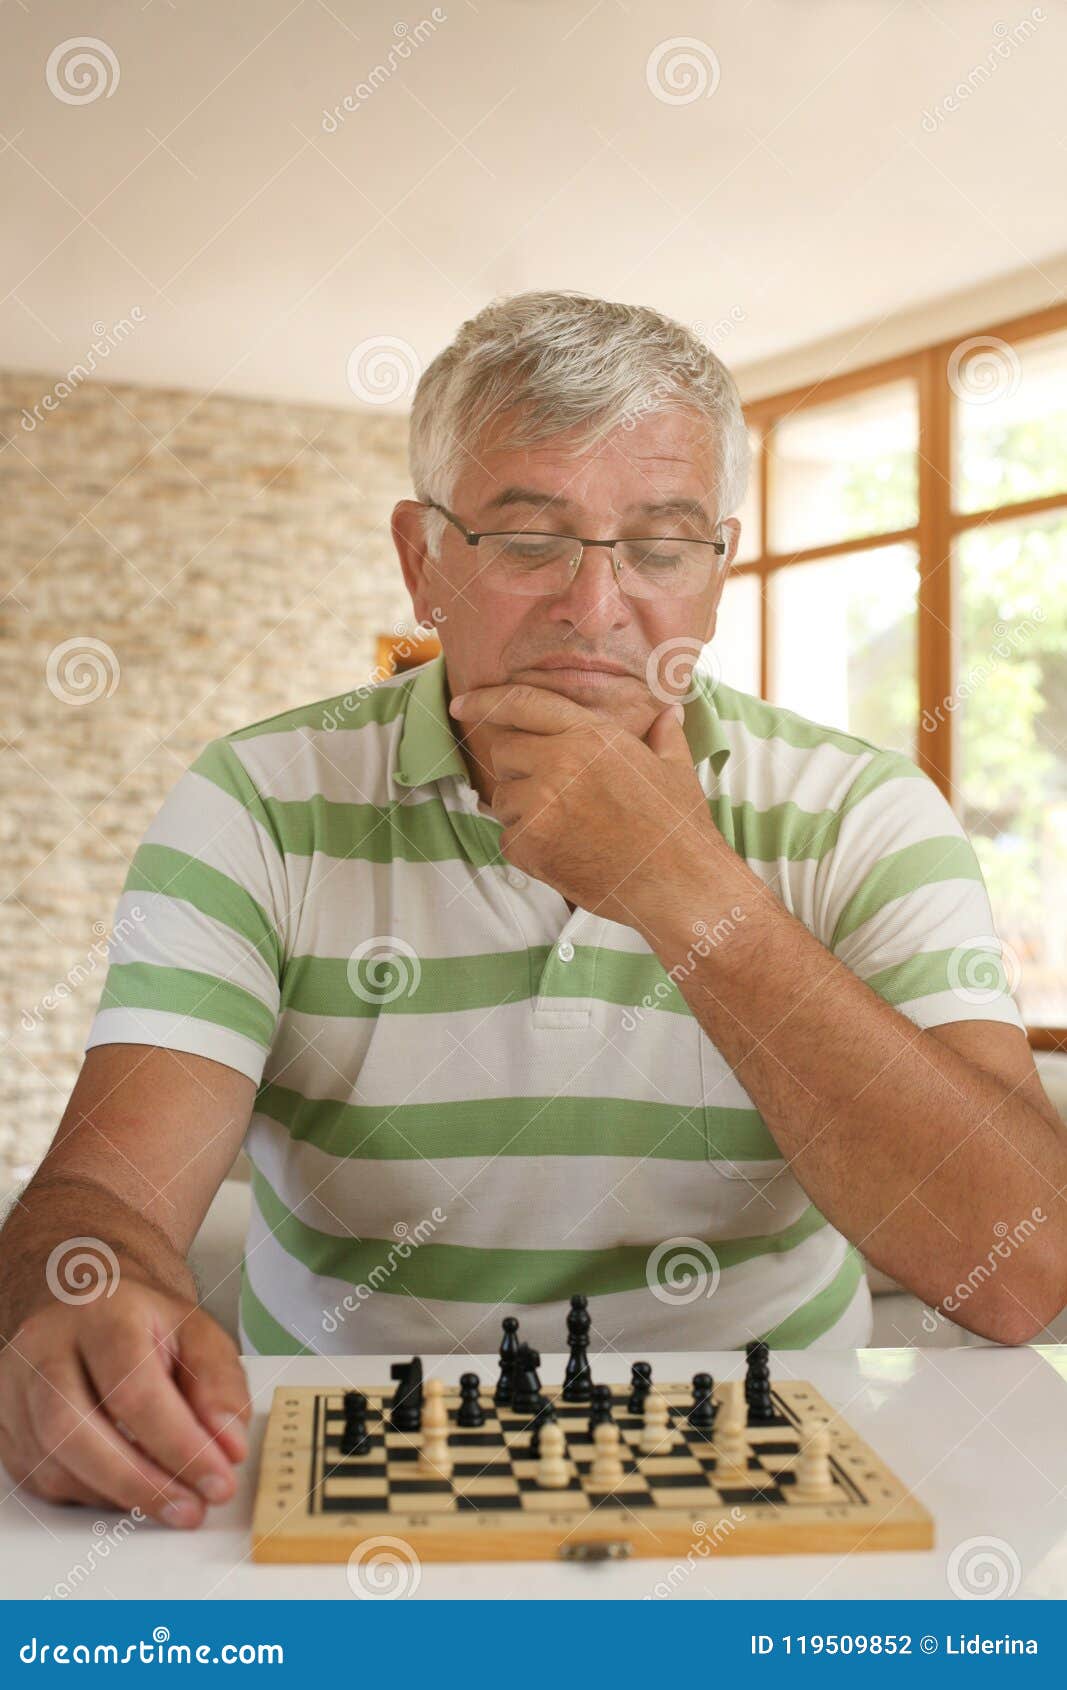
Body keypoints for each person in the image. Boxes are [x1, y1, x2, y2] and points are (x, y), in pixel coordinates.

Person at [2, 291, 1064, 1529]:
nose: (595, 606)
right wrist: (73, 1301)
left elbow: (1020, 1270)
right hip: (352, 1478)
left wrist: (681, 883)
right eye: (526, 539)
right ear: (422, 562)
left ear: (716, 570)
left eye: (659, 545)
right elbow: (99, 1206)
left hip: (770, 1475)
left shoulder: (865, 811)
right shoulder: (254, 802)